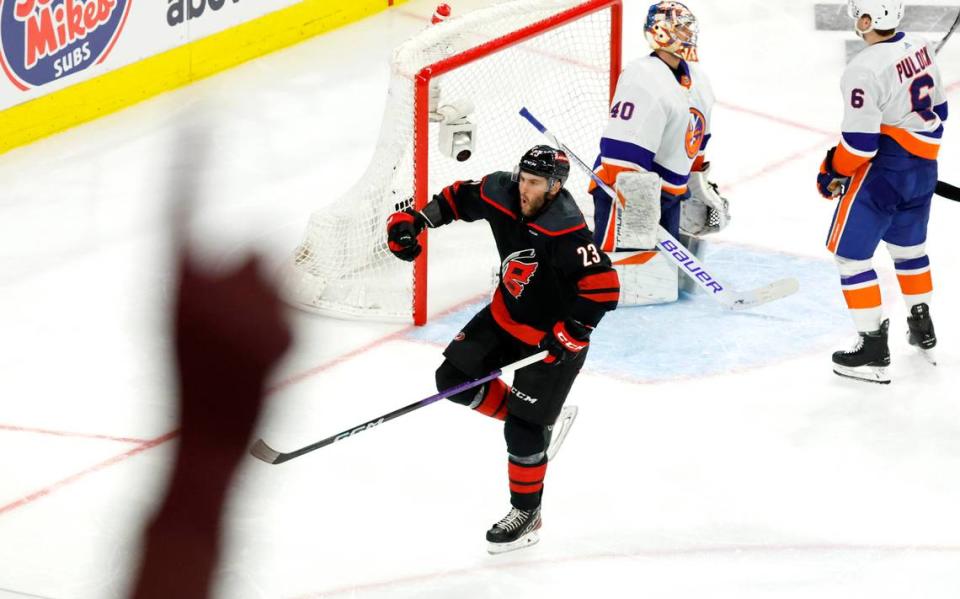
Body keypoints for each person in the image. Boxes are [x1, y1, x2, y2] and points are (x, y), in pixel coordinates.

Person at [385, 145, 620, 554]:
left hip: (550, 344)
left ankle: (527, 513)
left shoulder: (567, 231)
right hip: (502, 317)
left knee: (523, 433)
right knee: (452, 381)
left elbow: (603, 288)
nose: (524, 190)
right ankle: (536, 420)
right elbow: (457, 198)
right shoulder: (502, 192)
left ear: (554, 187)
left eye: (534, 184)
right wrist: (416, 220)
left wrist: (573, 332)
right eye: (522, 179)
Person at [817, 0, 944, 384]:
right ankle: (922, 324)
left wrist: (832, 171)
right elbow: (942, 109)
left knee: (851, 257)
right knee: (910, 253)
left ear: (870, 19)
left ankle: (872, 348)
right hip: (923, 168)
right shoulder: (920, 45)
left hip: (883, 173)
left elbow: (859, 145)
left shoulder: (863, 68)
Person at [589, 1, 728, 306]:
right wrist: (639, 212)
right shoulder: (642, 77)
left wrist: (696, 187)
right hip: (624, 195)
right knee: (614, 290)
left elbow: (698, 141)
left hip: (668, 196)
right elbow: (620, 154)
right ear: (660, 32)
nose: (688, 32)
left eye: (689, 26)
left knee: (660, 287)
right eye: (680, 26)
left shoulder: (700, 80)